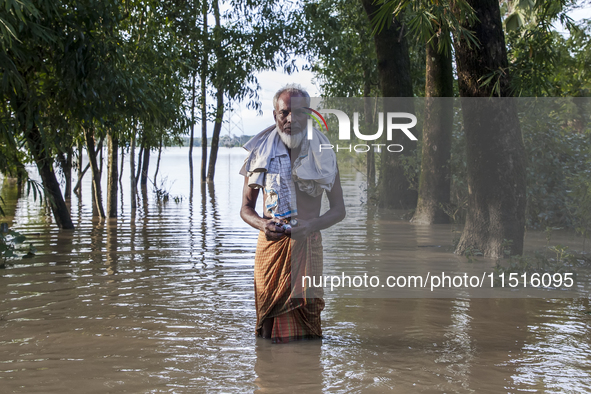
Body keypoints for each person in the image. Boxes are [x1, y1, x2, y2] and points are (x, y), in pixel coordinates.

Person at [240, 84, 345, 343]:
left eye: (298, 113)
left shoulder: (323, 155)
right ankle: (268, 376)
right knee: (267, 323)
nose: (290, 120)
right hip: (271, 246)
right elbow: (245, 209)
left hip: (308, 244)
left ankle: (307, 378)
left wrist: (311, 225)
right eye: (284, 113)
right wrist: (264, 225)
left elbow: (339, 210)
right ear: (275, 115)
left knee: (309, 322)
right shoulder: (260, 154)